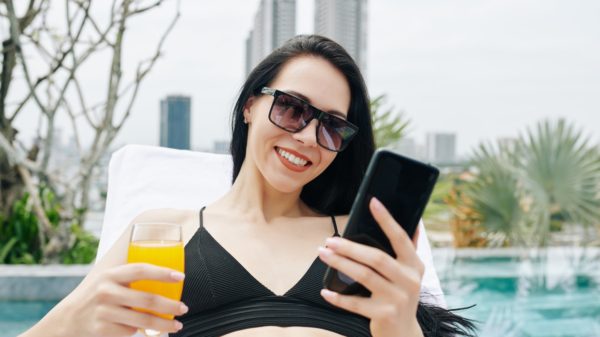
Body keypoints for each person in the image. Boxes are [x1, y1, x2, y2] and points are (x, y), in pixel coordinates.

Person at [21, 35, 475, 337]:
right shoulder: (164, 232)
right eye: (293, 109)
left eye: (331, 127)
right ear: (250, 106)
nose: (306, 137)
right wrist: (73, 320)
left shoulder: (360, 244)